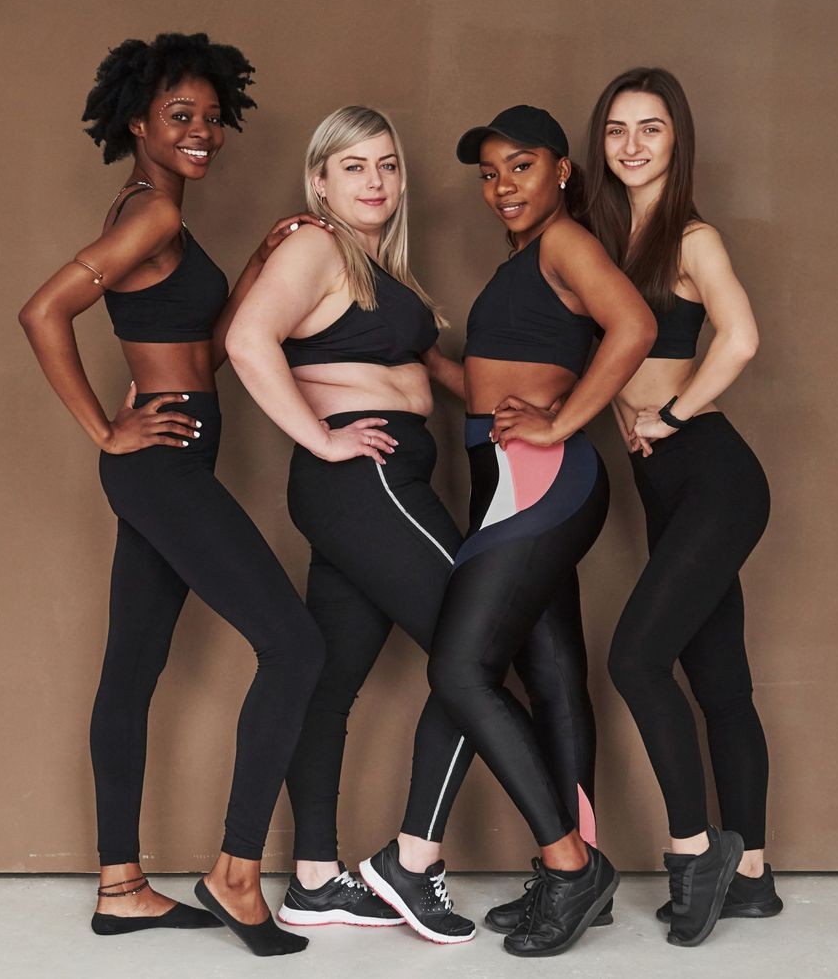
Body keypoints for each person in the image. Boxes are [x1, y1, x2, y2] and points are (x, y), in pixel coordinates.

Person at [18, 32, 329, 957]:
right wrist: (105, 428)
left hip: (169, 465)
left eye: (210, 116)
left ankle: (122, 887)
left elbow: (201, 346)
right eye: (178, 117)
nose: (201, 132)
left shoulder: (163, 216)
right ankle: (235, 878)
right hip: (159, 464)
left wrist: (254, 273)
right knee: (296, 643)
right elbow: (42, 313)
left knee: (132, 669)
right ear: (137, 124)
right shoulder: (150, 215)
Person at [226, 105, 478, 944]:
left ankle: (314, 879)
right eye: (355, 167)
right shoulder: (316, 245)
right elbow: (246, 338)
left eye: (388, 166)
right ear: (320, 180)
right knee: (476, 651)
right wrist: (321, 438)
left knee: (329, 684)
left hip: (378, 483)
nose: (376, 182)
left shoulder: (377, 267)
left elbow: (423, 368)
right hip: (363, 480)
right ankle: (415, 859)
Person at [420, 105, 655, 957]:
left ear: (560, 169)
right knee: (551, 674)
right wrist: (412, 346)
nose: (501, 187)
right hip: (506, 478)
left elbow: (634, 327)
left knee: (460, 667)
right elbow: (484, 386)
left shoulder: (565, 242)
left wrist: (562, 425)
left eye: (519, 167)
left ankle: (570, 867)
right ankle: (575, 867)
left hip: (544, 480)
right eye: (488, 174)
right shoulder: (523, 260)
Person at [584, 67, 779, 948]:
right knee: (720, 683)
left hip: (713, 476)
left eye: (650, 129)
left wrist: (669, 413)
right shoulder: (600, 239)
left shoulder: (691, 239)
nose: (631, 145)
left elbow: (740, 338)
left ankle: (694, 852)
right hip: (666, 489)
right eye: (618, 130)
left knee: (634, 659)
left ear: (677, 139)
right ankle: (752, 877)